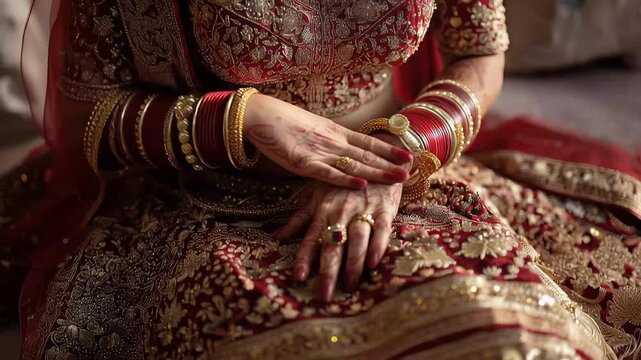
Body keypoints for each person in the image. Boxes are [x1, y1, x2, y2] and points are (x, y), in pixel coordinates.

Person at [2, 0, 639, 358]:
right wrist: (239, 118)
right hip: (208, 203)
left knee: (520, 340)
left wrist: (398, 152)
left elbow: (478, 53)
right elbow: (91, 117)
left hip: (405, 176)